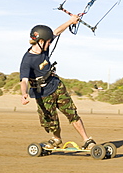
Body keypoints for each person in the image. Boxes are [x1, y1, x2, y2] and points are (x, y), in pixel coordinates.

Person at [19, 15, 95, 150]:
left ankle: (87, 140)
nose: (50, 43)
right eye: (48, 42)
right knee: (51, 121)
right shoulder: (27, 60)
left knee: (72, 113)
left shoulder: (44, 46)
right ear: (40, 41)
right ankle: (56, 139)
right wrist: (24, 93)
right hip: (42, 94)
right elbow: (24, 80)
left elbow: (57, 31)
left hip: (56, 85)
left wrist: (71, 21)